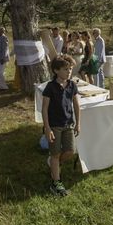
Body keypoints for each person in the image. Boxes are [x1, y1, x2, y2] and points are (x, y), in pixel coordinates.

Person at [41, 55, 81, 197]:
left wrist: (78, 123)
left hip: (68, 124)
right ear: (56, 70)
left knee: (70, 151)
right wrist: (47, 128)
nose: (69, 72)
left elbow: (76, 104)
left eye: (70, 69)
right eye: (65, 69)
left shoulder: (72, 85)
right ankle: (56, 182)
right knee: (56, 153)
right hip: (54, 126)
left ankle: (54, 164)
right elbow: (44, 108)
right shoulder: (50, 87)